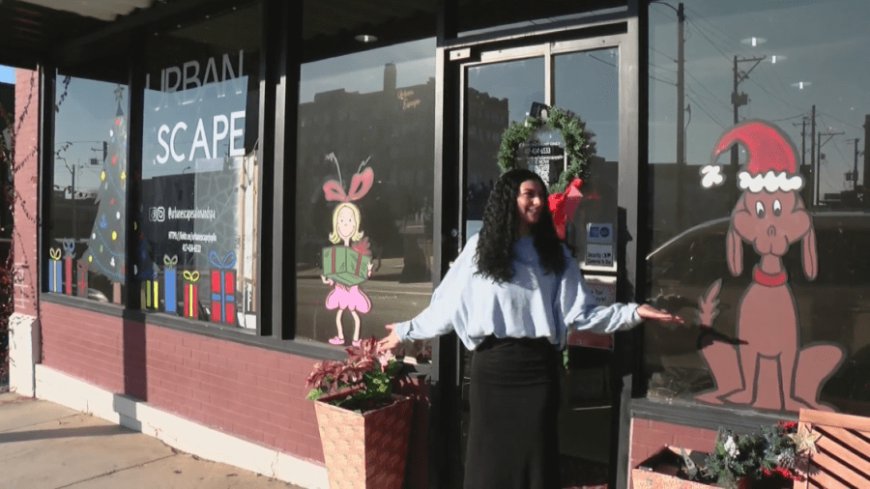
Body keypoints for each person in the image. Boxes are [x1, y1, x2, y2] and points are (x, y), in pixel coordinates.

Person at [377, 168, 684, 489]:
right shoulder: (479, 249)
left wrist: (634, 312)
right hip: (492, 372)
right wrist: (405, 330)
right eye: (529, 194)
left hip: (537, 374)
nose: (538, 201)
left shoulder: (555, 255)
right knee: (489, 464)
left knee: (535, 463)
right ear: (510, 199)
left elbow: (582, 314)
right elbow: (447, 307)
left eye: (541, 194)